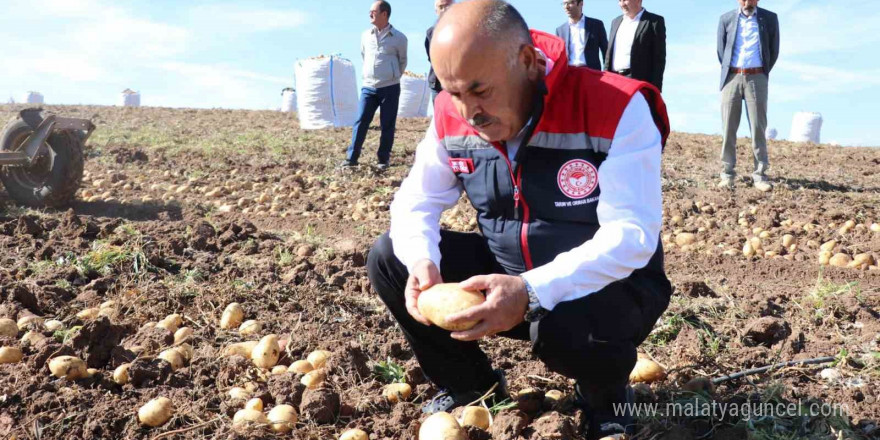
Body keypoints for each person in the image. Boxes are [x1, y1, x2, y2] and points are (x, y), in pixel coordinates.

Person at [367, 1, 671, 438]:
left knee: (559, 323)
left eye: (480, 90)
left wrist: (532, 290)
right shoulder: (451, 114)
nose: (468, 111)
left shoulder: (615, 105)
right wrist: (421, 261)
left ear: (527, 62)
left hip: (609, 287)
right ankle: (475, 390)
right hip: (508, 274)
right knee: (389, 258)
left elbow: (632, 235)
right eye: (454, 92)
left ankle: (606, 397)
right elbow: (415, 201)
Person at [717, 0, 779, 192]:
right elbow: (721, 51)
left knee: (758, 127)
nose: (747, 2)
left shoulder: (769, 19)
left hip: (757, 77)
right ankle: (727, 174)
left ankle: (760, 174)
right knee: (728, 127)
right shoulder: (726, 19)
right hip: (732, 78)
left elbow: (773, 50)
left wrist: (761, 72)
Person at [339, 1, 407, 171]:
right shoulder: (366, 35)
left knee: (387, 124)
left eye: (373, 11)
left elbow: (402, 61)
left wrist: (391, 75)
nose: (370, 14)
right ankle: (351, 158)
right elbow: (364, 55)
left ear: (384, 14)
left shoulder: (399, 38)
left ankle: (383, 160)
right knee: (361, 121)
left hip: (390, 87)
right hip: (368, 87)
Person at [605, 0, 666, 92]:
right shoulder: (615, 22)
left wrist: (655, 89)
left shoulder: (654, 21)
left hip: (638, 82)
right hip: (614, 81)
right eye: (619, 0)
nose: (622, 4)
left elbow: (659, 58)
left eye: (625, 0)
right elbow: (609, 55)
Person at [555, 0, 608, 70]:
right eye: (564, 3)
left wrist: (607, 73)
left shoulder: (596, 25)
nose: (566, 7)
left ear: (581, 3)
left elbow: (606, 52)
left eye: (571, 3)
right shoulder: (560, 30)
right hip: (569, 74)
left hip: (591, 73)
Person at [426, 0, 455, 104]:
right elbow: (431, 57)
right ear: (436, 11)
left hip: (457, 84)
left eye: (447, 6)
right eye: (441, 7)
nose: (444, 10)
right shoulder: (431, 33)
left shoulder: (463, 29)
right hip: (437, 84)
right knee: (439, 117)